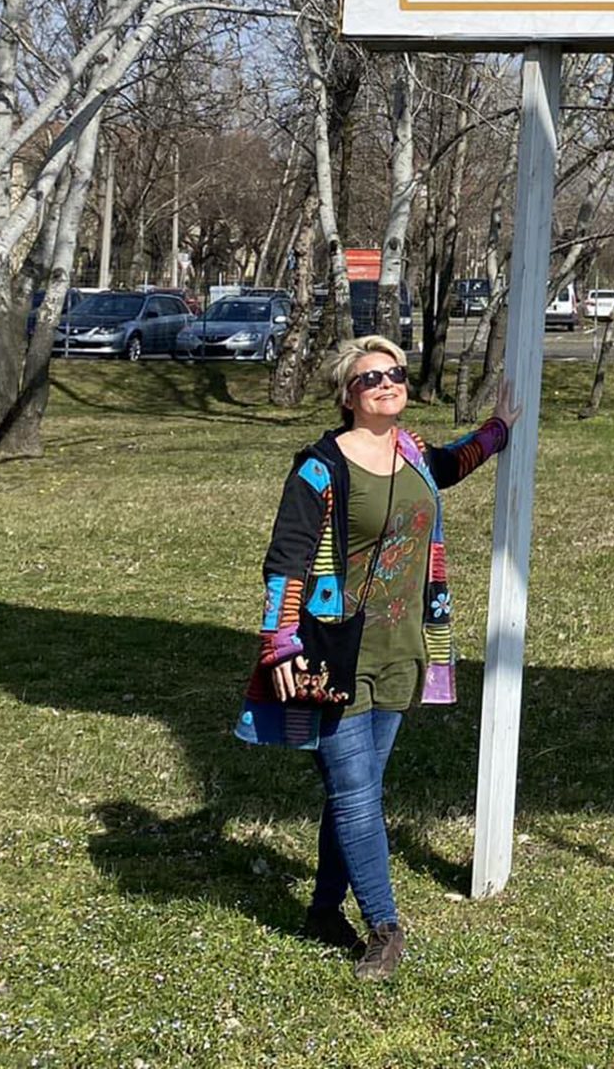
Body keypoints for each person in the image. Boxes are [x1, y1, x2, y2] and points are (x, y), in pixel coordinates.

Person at [235, 336, 518, 980]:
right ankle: (385, 926)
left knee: (355, 789)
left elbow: (454, 463)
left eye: (395, 373)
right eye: (370, 377)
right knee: (356, 791)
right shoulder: (320, 468)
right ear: (347, 394)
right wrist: (281, 642)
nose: (386, 383)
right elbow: (285, 561)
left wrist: (500, 429)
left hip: (402, 649)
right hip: (335, 654)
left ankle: (322, 908)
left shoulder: (412, 453)